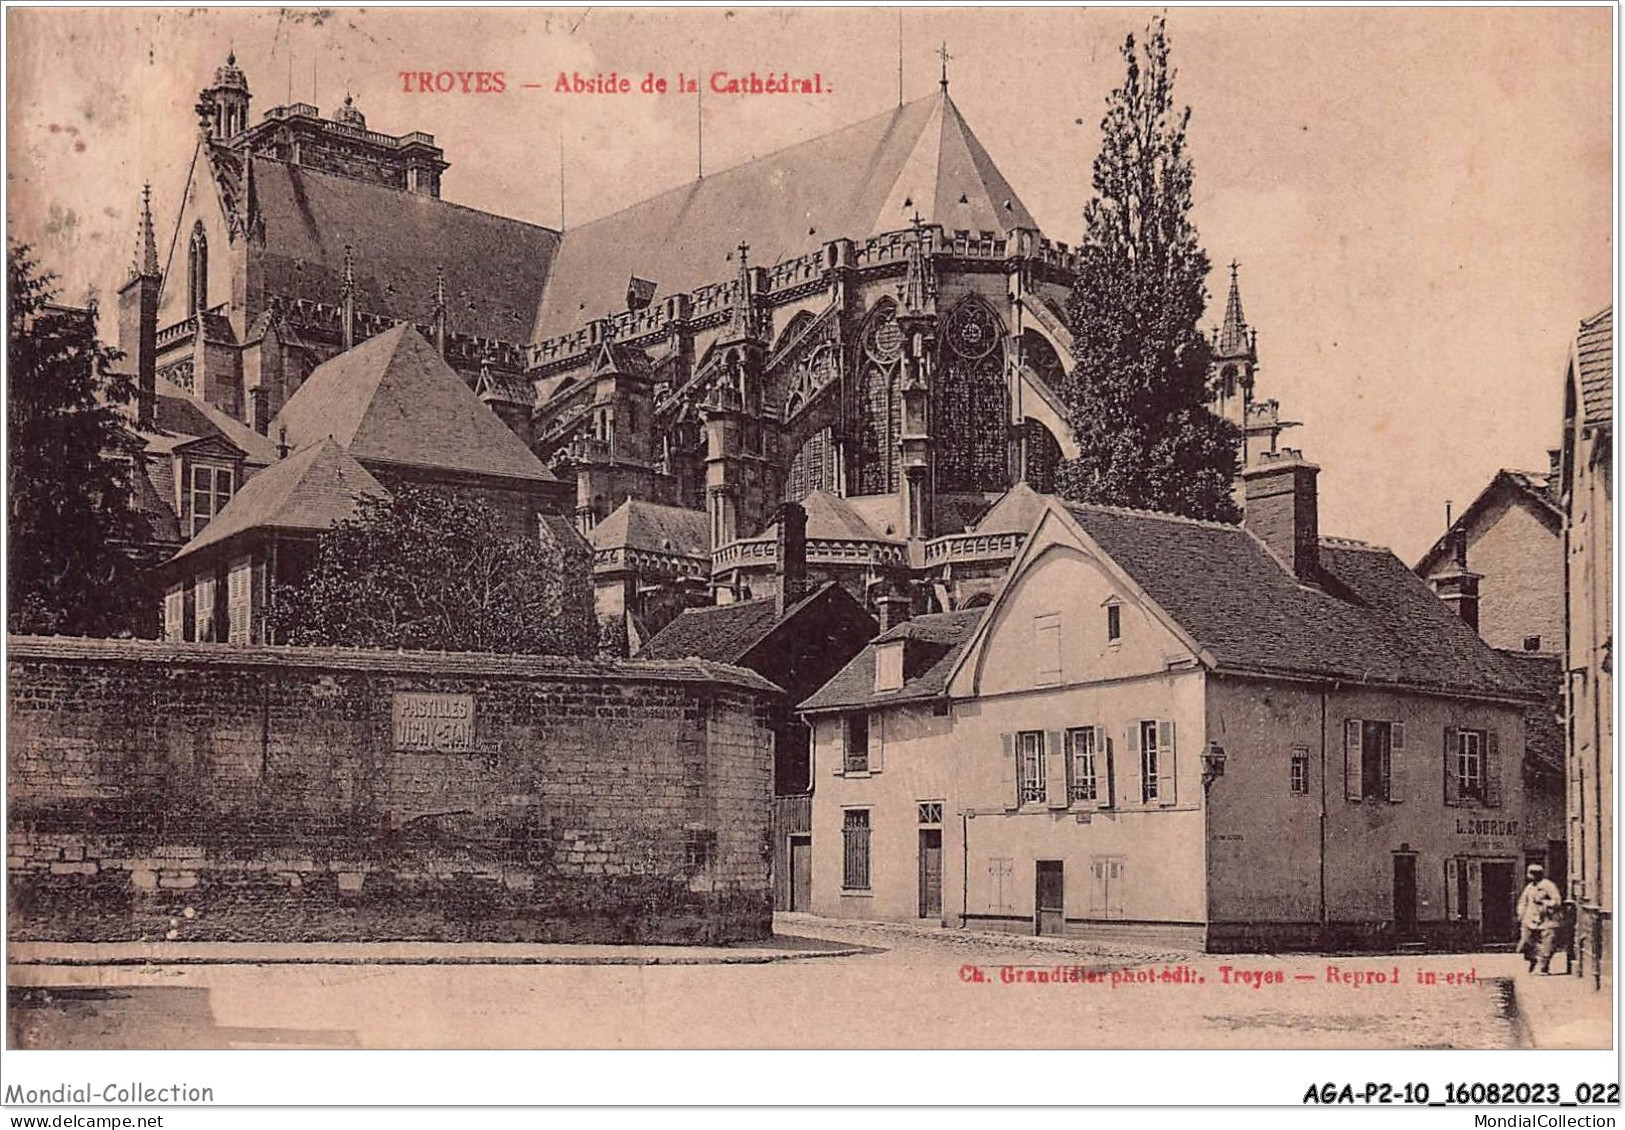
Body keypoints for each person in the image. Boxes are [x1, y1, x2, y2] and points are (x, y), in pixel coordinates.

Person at [1516, 863, 1563, 974]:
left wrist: (1543, 902)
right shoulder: (1530, 887)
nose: (1529, 876)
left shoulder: (1548, 885)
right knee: (1526, 943)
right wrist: (1521, 914)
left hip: (1546, 919)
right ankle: (1533, 960)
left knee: (1547, 944)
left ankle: (1543, 967)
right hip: (1530, 918)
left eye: (1531, 873)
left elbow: (1557, 901)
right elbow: (1523, 901)